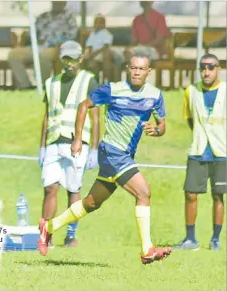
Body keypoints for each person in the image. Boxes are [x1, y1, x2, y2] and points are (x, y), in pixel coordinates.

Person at [37, 53, 173, 264]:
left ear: (149, 72)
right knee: (144, 193)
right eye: (133, 68)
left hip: (124, 154)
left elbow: (162, 124)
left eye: (141, 69)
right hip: (112, 152)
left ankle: (49, 227)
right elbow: (84, 105)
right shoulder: (113, 89)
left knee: (91, 203)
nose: (136, 72)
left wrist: (157, 130)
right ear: (128, 69)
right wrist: (78, 138)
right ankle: (147, 249)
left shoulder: (154, 95)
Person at [38, 41, 100, 248]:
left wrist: (94, 148)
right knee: (50, 188)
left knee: (73, 189)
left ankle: (70, 236)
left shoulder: (89, 81)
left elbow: (97, 116)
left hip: (77, 143)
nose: (69, 63)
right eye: (66, 59)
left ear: (81, 59)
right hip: (54, 141)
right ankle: (46, 235)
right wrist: (42, 146)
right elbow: (47, 116)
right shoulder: (51, 83)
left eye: (73, 59)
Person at [175, 54, 226, 251]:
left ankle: (215, 239)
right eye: (203, 68)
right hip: (198, 151)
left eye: (210, 67)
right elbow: (190, 119)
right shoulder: (190, 91)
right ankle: (190, 239)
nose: (206, 72)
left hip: (221, 153)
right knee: (190, 194)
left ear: (218, 69)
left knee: (218, 195)